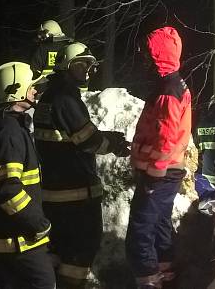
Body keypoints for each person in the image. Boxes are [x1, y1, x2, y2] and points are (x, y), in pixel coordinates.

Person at [33, 42, 129, 288]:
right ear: (67, 66)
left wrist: (106, 135)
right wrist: (114, 145)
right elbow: (87, 140)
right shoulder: (65, 97)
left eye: (90, 65)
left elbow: (69, 136)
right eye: (82, 64)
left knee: (61, 252)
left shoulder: (50, 97)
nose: (88, 70)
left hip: (56, 193)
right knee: (80, 252)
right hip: (75, 195)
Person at [0, 61, 55, 289]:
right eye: (32, 87)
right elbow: (8, 191)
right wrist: (38, 224)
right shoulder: (8, 132)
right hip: (14, 243)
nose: (37, 90)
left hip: (9, 241)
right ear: (15, 92)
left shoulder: (9, 126)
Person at [127, 26, 192, 289]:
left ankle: (148, 281)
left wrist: (153, 174)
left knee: (140, 230)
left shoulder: (167, 90)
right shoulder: (173, 84)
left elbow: (166, 137)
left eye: (148, 55)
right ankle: (167, 274)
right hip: (168, 170)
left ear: (158, 56)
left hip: (161, 173)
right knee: (160, 224)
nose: (144, 60)